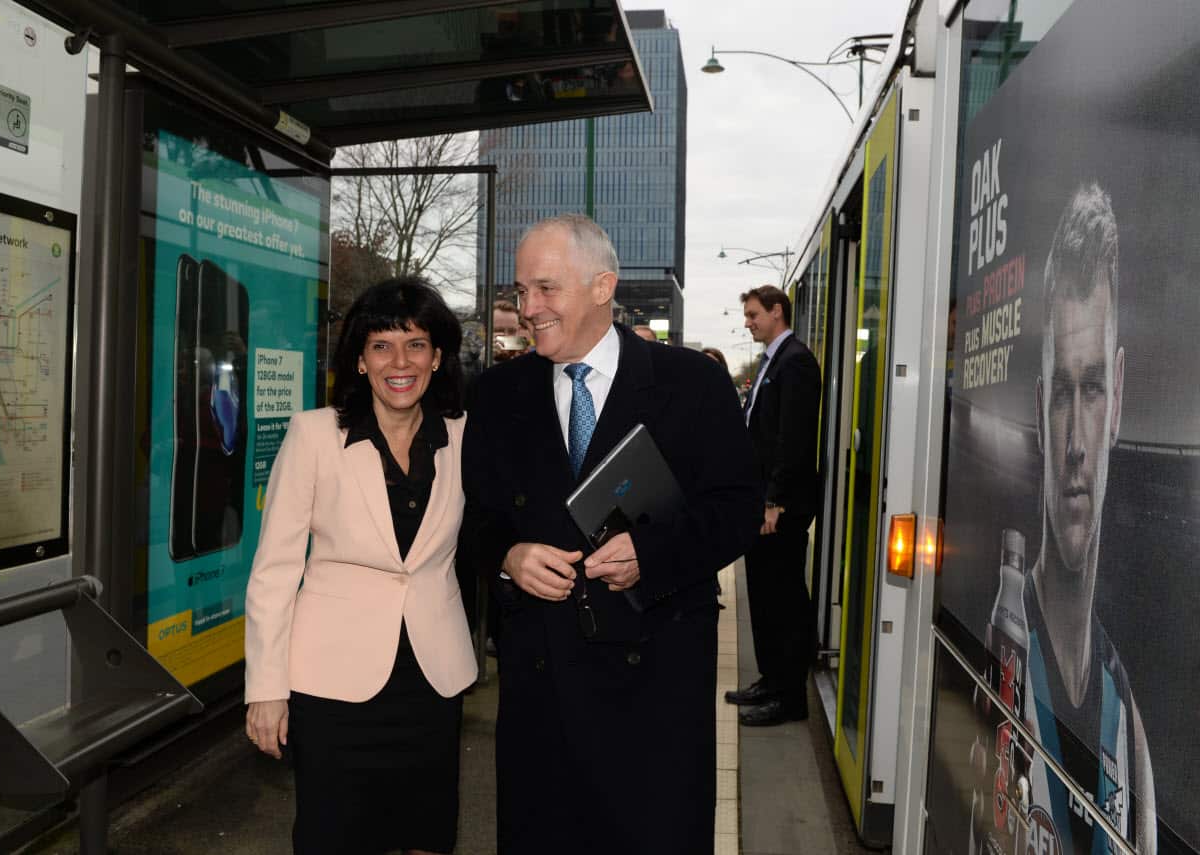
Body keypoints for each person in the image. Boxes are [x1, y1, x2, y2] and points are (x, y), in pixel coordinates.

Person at [462, 214, 761, 855]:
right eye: (520, 292)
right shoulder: (496, 394)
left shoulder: (691, 385)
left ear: (603, 286)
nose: (528, 309)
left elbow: (737, 509)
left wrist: (651, 555)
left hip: (654, 686)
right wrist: (510, 556)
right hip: (541, 688)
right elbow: (475, 523)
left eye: (546, 289)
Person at [244, 277, 476, 855]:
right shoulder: (315, 435)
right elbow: (274, 569)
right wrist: (266, 690)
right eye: (381, 346)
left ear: (438, 355)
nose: (400, 361)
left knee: (428, 837)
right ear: (360, 360)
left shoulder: (464, 436)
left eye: (416, 344)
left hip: (431, 682)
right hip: (332, 687)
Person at [1018, 184, 1155, 853]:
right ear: (1041, 408)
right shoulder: (1003, 639)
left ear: (1120, 397)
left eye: (1094, 388)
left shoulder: (1127, 725)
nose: (1076, 441)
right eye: (1063, 393)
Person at [725, 284, 822, 726]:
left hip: (779, 507)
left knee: (782, 601)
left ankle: (789, 697)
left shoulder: (796, 362)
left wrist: (774, 502)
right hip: (761, 503)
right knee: (763, 597)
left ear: (776, 312)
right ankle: (770, 679)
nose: (747, 323)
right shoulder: (775, 361)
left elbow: (793, 442)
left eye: (752, 315)